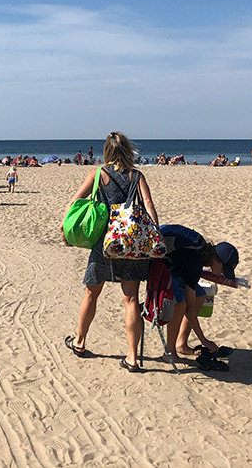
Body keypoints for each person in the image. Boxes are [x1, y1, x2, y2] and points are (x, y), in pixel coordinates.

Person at [62, 132, 158, 373]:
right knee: (131, 300)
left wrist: (66, 230)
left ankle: (80, 342)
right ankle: (133, 357)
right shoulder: (136, 175)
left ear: (107, 151)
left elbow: (74, 203)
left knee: (91, 294)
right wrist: (155, 236)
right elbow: (148, 205)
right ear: (127, 150)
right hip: (129, 243)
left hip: (103, 244)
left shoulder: (98, 174)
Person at [159, 224, 238, 371]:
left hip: (174, 265)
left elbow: (191, 280)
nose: (222, 274)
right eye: (223, 269)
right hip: (159, 265)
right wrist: (204, 340)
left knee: (201, 295)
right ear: (216, 260)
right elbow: (189, 309)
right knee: (180, 305)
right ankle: (169, 353)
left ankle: (181, 344)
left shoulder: (200, 252)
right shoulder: (195, 260)